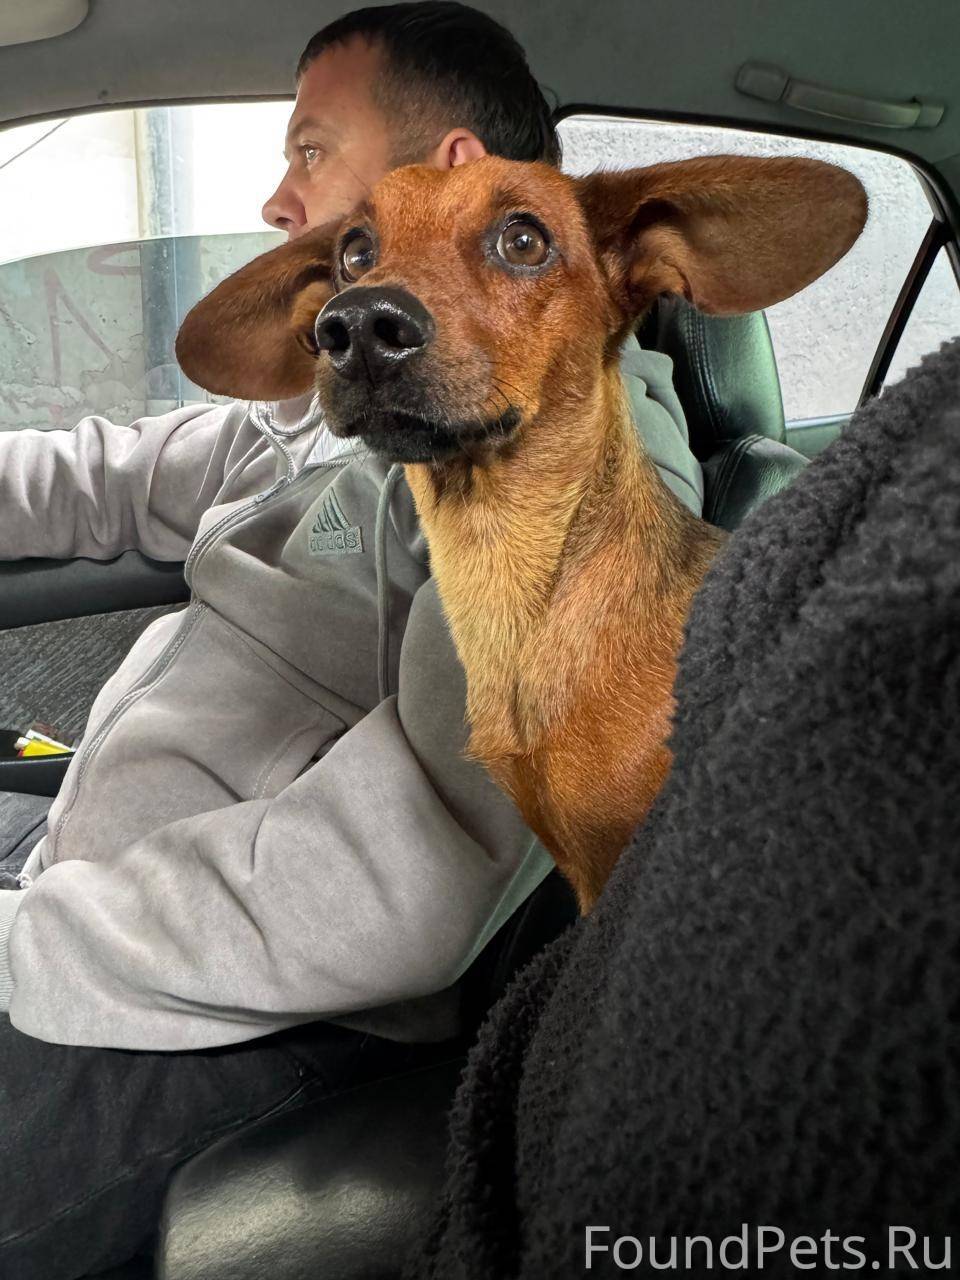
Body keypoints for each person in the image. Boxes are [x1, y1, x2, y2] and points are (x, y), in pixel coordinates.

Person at [0, 4, 703, 1276]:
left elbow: (397, 885)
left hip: (231, 999)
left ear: (453, 168)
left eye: (310, 151)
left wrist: (32, 937)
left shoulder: (586, 474)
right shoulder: (329, 399)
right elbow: (98, 478)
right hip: (95, 888)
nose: (278, 200)